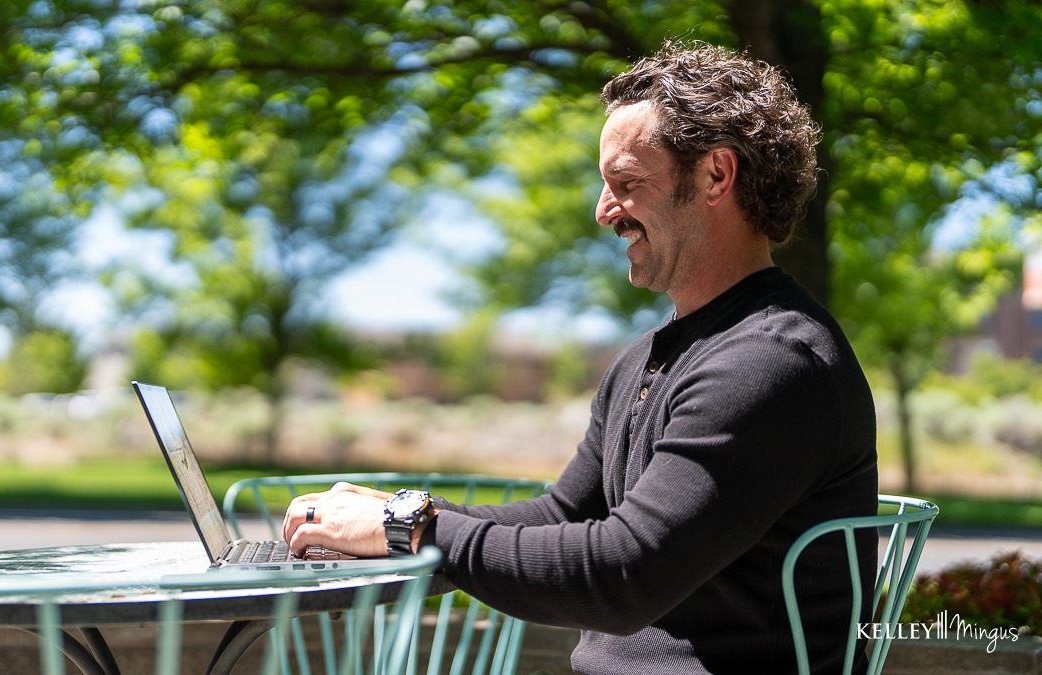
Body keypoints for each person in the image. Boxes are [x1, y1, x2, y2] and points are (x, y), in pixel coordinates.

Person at [282, 40, 878, 674]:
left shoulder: (770, 362)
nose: (603, 211)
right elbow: (562, 516)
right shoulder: (650, 359)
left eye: (627, 183)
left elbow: (622, 575)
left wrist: (413, 530)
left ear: (715, 176)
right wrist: (392, 518)